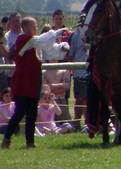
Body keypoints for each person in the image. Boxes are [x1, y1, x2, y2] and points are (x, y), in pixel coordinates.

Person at [1, 17, 67, 149]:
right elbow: (43, 40)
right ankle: (7, 138)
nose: (36, 28)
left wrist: (62, 47)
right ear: (26, 27)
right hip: (22, 83)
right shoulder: (23, 39)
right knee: (20, 112)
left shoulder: (34, 44)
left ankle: (29, 142)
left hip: (33, 83)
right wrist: (57, 32)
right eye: (34, 26)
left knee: (31, 113)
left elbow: (49, 49)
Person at [66, 26, 90, 131]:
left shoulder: (94, 33)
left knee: (88, 99)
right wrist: (73, 70)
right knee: (80, 98)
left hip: (91, 71)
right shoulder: (75, 36)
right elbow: (70, 55)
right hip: (79, 72)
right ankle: (76, 123)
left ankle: (88, 123)